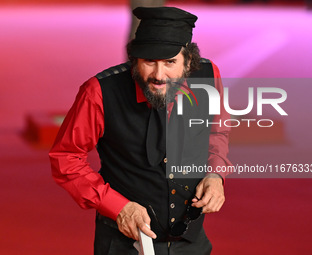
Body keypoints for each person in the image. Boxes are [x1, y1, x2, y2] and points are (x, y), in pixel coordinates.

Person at [49, 6, 232, 255]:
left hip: (192, 242)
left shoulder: (209, 76)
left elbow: (217, 130)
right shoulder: (99, 92)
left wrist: (215, 174)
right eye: (149, 62)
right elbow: (66, 157)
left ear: (189, 61)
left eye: (170, 62)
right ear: (134, 59)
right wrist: (118, 206)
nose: (159, 75)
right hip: (124, 245)